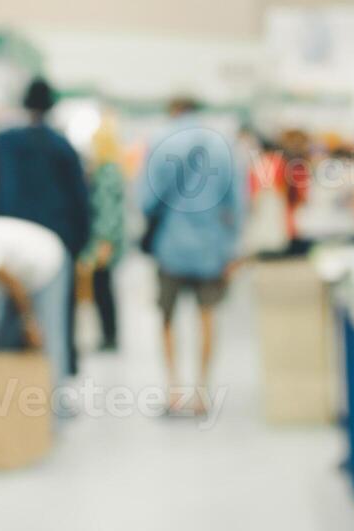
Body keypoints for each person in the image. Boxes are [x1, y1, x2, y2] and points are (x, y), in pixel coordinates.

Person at [139, 96, 246, 415]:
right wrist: (233, 247)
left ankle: (174, 390)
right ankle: (202, 392)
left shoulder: (159, 141)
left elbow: (145, 200)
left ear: (172, 110)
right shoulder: (222, 145)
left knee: (167, 317)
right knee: (207, 315)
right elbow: (237, 202)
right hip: (211, 246)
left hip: (170, 245)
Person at [0, 78, 91, 375]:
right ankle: (50, 403)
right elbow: (79, 201)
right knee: (53, 328)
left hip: (7, 247)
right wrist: (78, 244)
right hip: (54, 249)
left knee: (3, 327)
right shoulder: (63, 148)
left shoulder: (3, 142)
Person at [0, 215, 69, 385]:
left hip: (47, 264)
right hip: (19, 275)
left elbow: (15, 286)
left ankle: (58, 405)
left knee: (48, 340)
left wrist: (29, 322)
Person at [79, 121, 125, 352]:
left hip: (103, 242)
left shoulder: (107, 173)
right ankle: (108, 334)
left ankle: (109, 335)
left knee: (102, 289)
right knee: (102, 288)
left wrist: (104, 242)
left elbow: (107, 210)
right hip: (103, 240)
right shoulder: (109, 169)